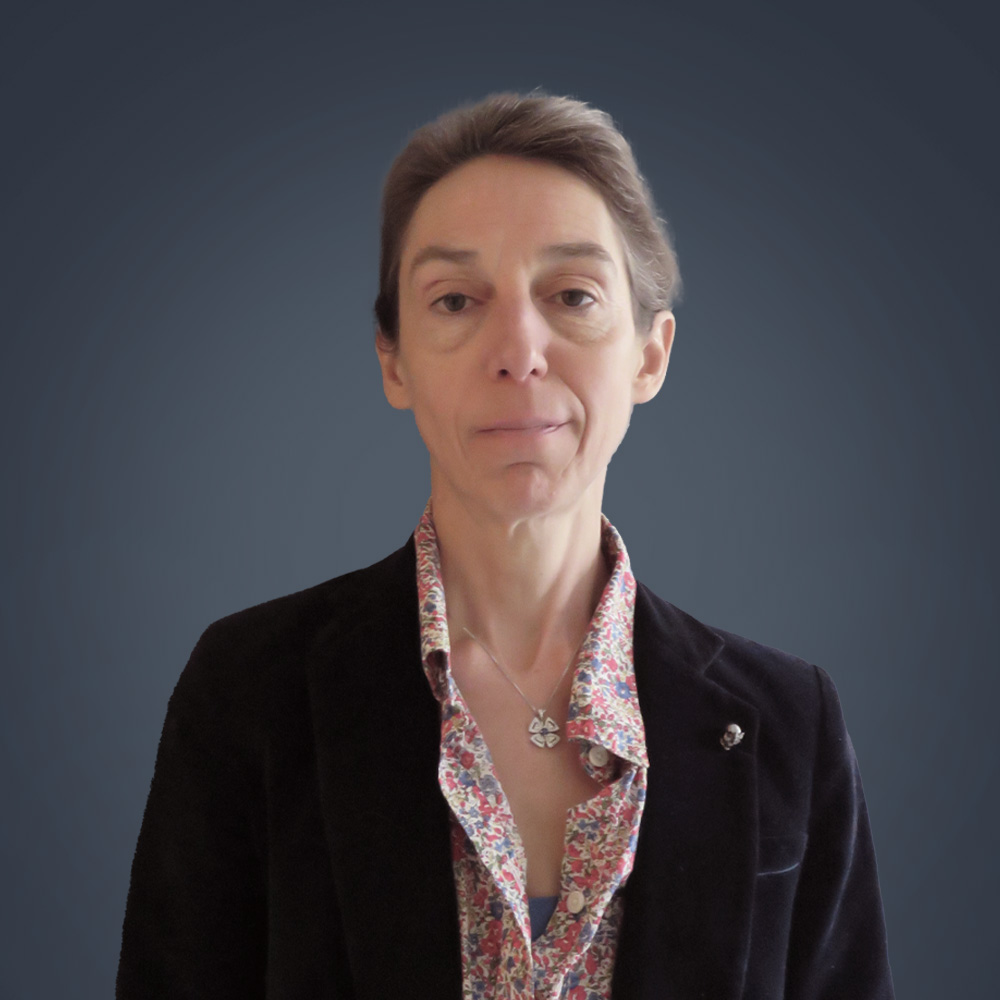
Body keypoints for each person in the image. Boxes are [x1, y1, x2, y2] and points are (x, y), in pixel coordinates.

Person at [116, 91, 895, 999]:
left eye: (573, 296)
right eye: (455, 300)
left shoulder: (790, 723)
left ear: (649, 355)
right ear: (393, 359)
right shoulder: (249, 692)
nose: (518, 350)